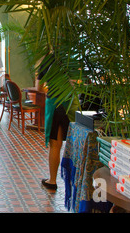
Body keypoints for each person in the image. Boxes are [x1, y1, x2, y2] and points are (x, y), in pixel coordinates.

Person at [37, 54, 77, 191]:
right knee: (74, 143)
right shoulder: (72, 58)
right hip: (70, 104)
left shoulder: (48, 60)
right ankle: (74, 181)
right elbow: (78, 83)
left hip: (54, 104)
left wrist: (51, 89)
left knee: (55, 145)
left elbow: (39, 88)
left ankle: (52, 180)